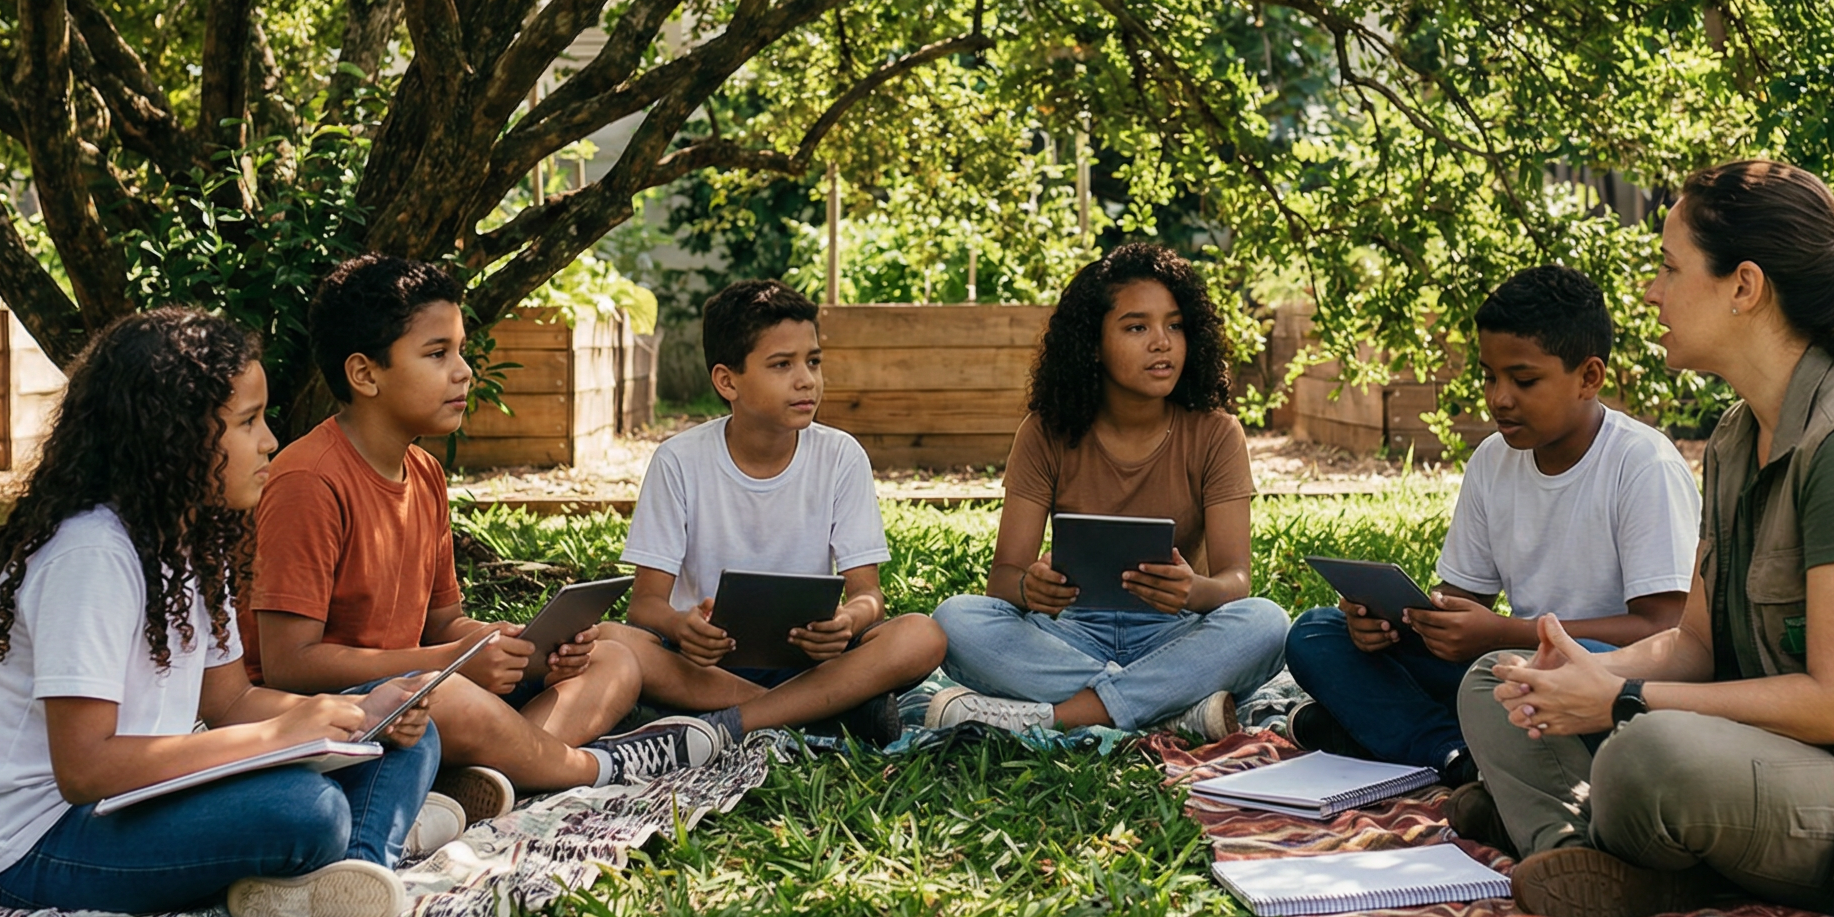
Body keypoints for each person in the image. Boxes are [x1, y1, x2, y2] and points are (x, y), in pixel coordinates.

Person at [1454, 161, 1834, 917]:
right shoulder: (1742, 434)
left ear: (1744, 286)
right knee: (1495, 683)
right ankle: (1586, 855)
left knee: (1650, 756)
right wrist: (1572, 674)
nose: (1651, 292)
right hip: (1795, 766)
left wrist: (1624, 696)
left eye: (1670, 269)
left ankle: (1596, 840)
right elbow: (1694, 645)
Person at [0, 309, 450, 917]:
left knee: (402, 720)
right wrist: (280, 735)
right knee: (306, 810)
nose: (270, 441)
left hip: (130, 800)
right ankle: (363, 844)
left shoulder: (186, 543)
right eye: (247, 423)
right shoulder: (92, 554)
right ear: (173, 438)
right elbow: (85, 769)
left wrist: (365, 713)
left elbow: (230, 702)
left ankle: (354, 871)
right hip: (36, 844)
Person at [250, 254, 718, 813]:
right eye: (436, 353)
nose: (463, 371)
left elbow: (445, 622)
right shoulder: (309, 479)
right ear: (365, 374)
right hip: (335, 710)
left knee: (614, 658)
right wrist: (450, 660)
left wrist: (516, 643)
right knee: (447, 695)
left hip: (421, 692)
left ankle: (484, 772)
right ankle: (592, 767)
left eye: (460, 350)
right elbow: (290, 664)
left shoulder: (422, 472)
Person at [1284, 266, 1696, 785]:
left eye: (1523, 380)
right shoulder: (1492, 460)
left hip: (1596, 675)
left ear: (1589, 378)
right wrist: (1391, 621)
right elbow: (1460, 601)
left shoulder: (1642, 465)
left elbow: (1666, 631)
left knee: (1515, 674)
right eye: (1488, 376)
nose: (1499, 397)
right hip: (1502, 669)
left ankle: (1393, 736)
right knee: (1316, 633)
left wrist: (1509, 633)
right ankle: (1455, 754)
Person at [928, 243, 1288, 739]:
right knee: (955, 620)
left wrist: (1194, 590)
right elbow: (1003, 579)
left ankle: (1066, 716)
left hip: (1174, 632)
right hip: (1066, 635)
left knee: (1266, 623)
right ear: (1093, 344)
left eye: (1175, 325)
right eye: (1137, 327)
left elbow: (1235, 581)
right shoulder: (1045, 431)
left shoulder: (1216, 432)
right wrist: (1031, 589)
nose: (1162, 342)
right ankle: (1169, 708)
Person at [607, 280, 947, 746]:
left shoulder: (841, 456)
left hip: (812, 660)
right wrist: (680, 625)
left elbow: (869, 595)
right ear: (728, 381)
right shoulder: (679, 461)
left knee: (922, 634)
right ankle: (824, 712)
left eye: (813, 361)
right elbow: (645, 606)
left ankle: (732, 721)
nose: (806, 379)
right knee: (611, 640)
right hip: (706, 665)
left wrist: (847, 621)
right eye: (782, 365)